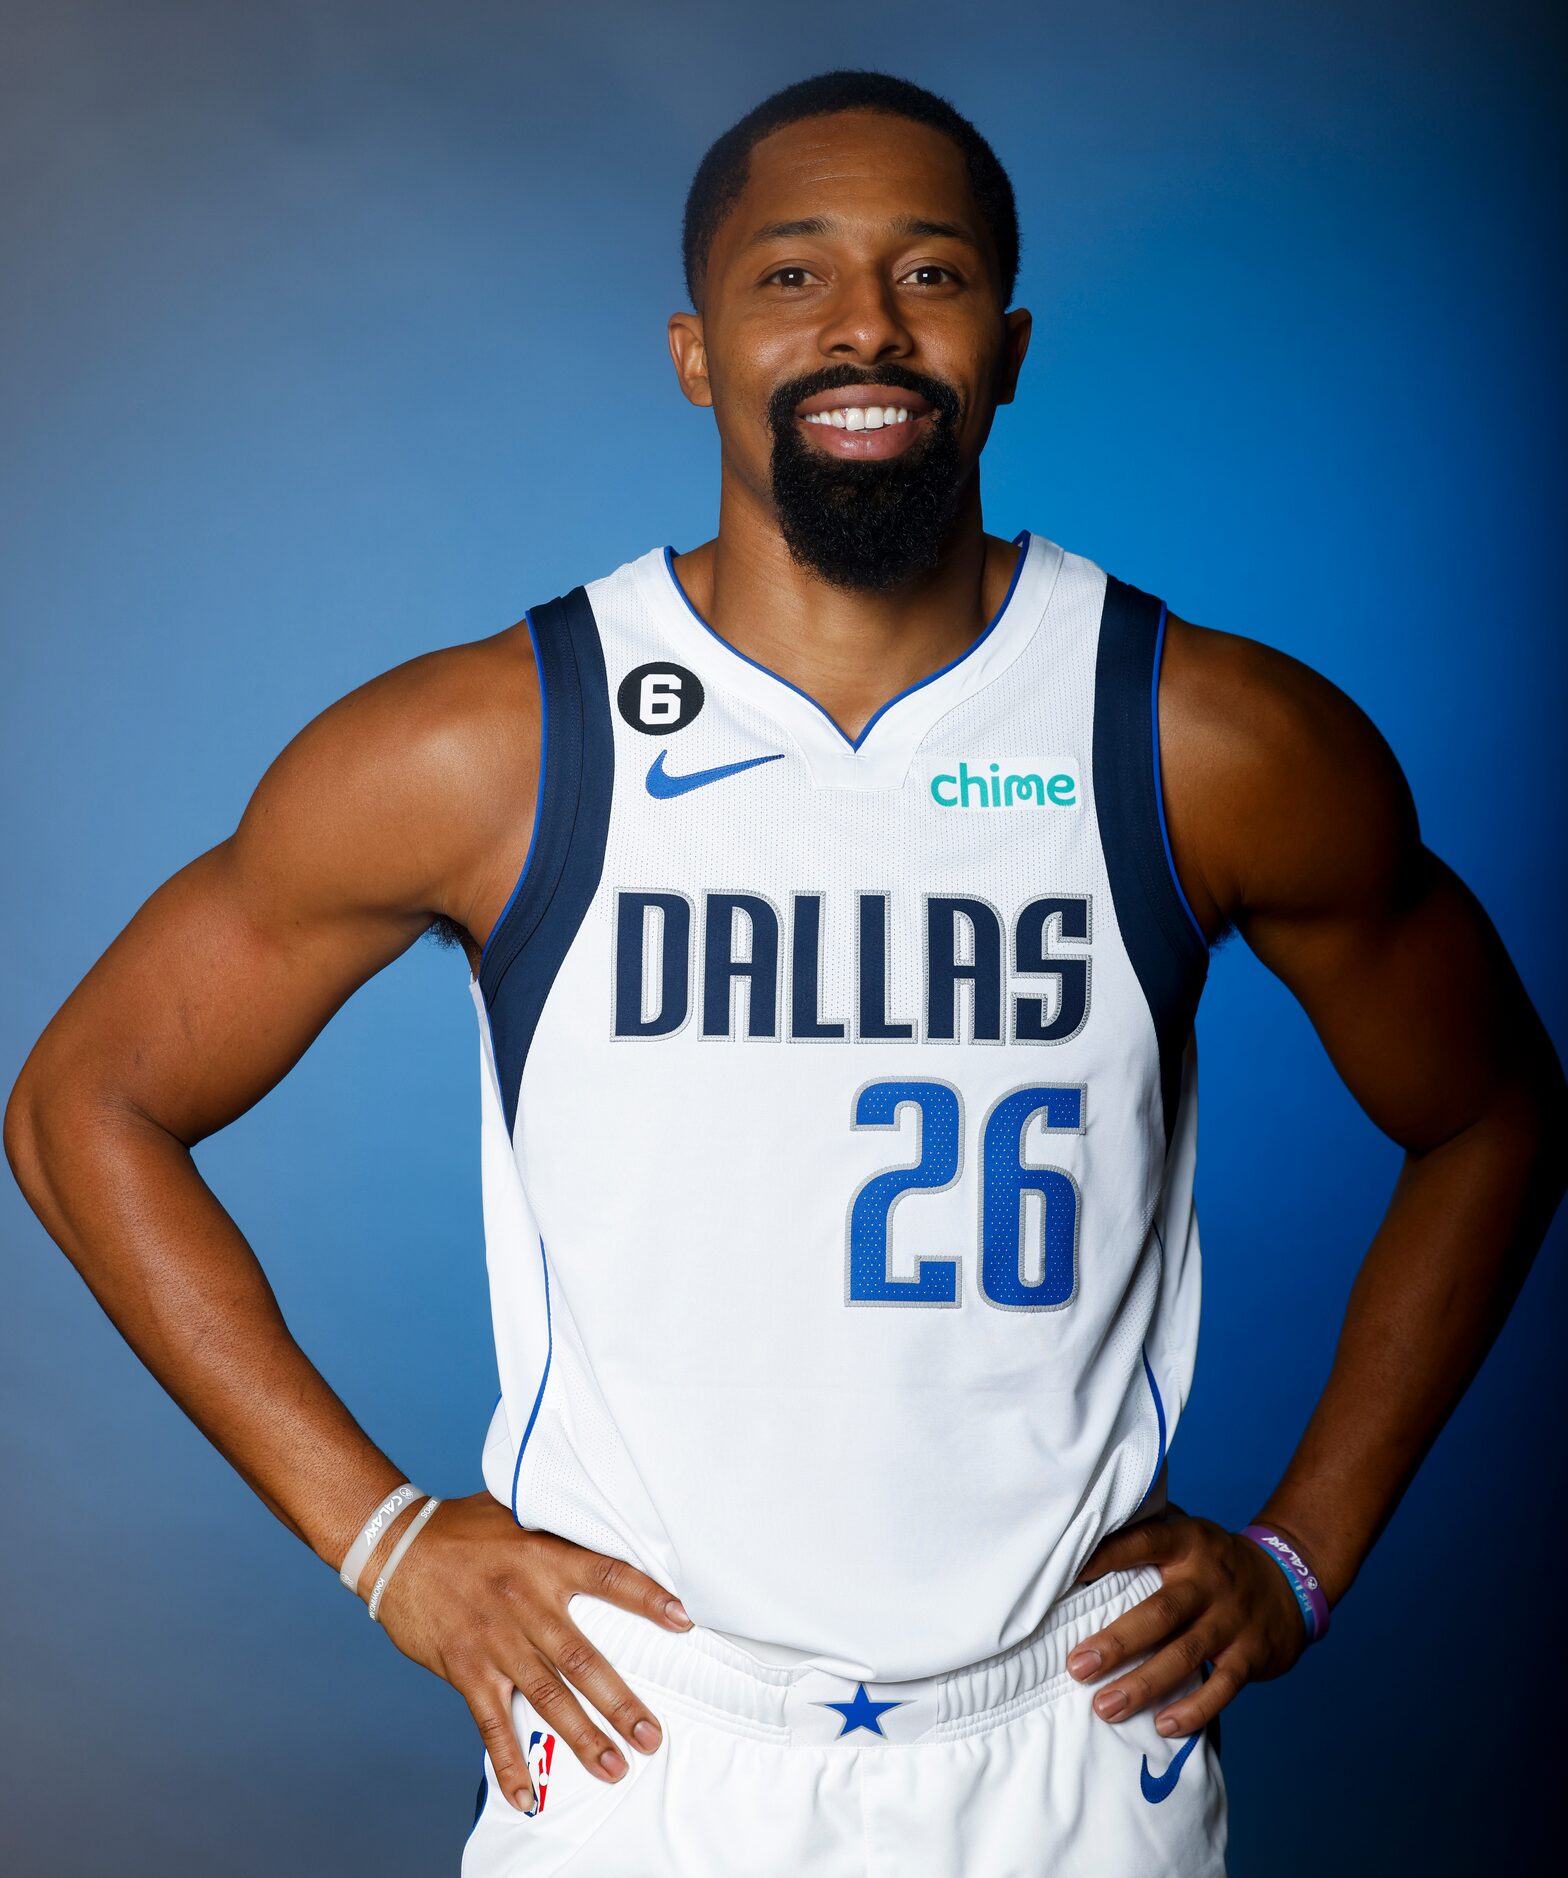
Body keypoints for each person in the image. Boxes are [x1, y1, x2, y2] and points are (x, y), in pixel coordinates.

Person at [6, 66, 1564, 1878]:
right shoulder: (501, 746)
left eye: (931, 275)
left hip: (1066, 1742)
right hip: (646, 1737)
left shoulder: (1194, 736)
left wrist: (1304, 1552)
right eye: (792, 276)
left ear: (1009, 342)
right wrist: (387, 1542)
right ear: (694, 348)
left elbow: (1494, 1112)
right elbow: (82, 1105)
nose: (866, 331)